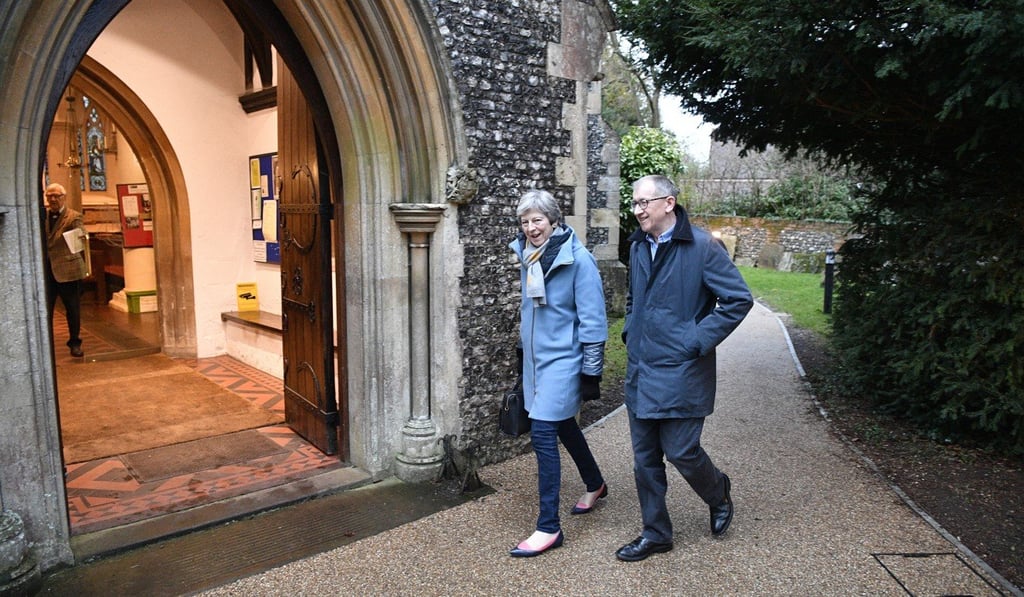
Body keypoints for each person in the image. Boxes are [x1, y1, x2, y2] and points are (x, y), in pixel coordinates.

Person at [616, 175, 753, 562]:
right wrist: (631, 328)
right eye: (635, 203)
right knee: (644, 460)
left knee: (681, 450)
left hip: (682, 370)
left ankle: (717, 492)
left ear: (668, 203)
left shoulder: (703, 247)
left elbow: (738, 300)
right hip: (642, 370)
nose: (638, 210)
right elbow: (635, 299)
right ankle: (656, 533)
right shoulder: (639, 245)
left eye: (645, 202)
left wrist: (695, 340)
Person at [507, 189, 609, 557]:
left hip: (564, 363)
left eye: (537, 220)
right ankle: (595, 483)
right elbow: (530, 313)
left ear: (554, 221)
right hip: (536, 364)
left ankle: (548, 527)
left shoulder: (579, 260)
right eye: (525, 221)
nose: (531, 227)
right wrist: (523, 356)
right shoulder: (527, 256)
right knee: (565, 425)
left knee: (544, 433)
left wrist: (590, 374)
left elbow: (594, 322)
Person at [43, 182, 89, 358]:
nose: (53, 199)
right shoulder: (42, 217)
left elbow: (81, 238)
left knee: (72, 309)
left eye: (57, 196)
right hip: (47, 272)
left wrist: (78, 236)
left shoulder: (73, 216)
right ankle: (46, 345)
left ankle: (75, 343)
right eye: (50, 196)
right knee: (45, 310)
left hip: (68, 270)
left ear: (64, 197)